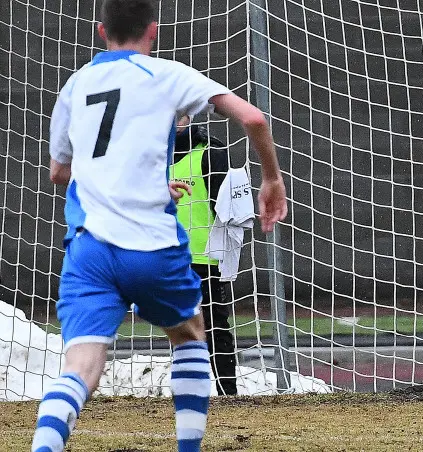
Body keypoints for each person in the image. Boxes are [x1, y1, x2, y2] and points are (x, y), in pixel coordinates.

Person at [31, 0, 287, 451]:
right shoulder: (168, 74)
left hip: (89, 249)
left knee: (81, 368)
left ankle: (43, 446)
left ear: (99, 30)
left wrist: (123, 182)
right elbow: (254, 118)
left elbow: (58, 171)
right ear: (153, 31)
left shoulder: (75, 84)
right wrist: (271, 178)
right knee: (190, 334)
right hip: (151, 245)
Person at [171, 115, 238, 396]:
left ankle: (228, 393)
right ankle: (190, 393)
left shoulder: (210, 153)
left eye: (180, 115)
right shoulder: (149, 154)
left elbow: (229, 212)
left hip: (204, 259)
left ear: (190, 117)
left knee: (215, 327)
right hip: (166, 259)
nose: (174, 121)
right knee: (178, 329)